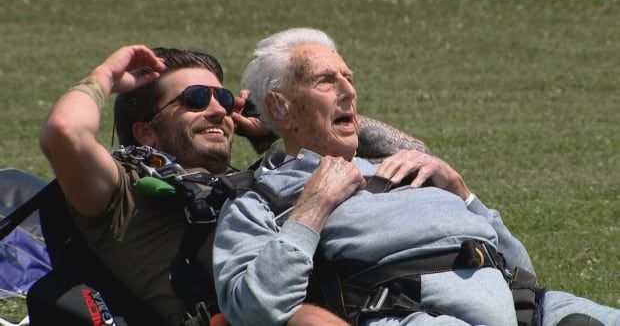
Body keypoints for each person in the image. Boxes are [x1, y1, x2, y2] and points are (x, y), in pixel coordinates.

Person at [212, 28, 620, 326]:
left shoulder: (404, 166)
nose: (348, 92)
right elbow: (254, 307)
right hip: (413, 313)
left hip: (526, 307)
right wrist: (312, 209)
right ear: (280, 108)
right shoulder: (261, 197)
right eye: (325, 81)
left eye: (349, 79)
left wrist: (462, 193)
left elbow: (521, 268)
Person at [39, 44, 428, 325]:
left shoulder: (259, 179)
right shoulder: (121, 191)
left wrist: (282, 119)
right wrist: (104, 77)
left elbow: (413, 156)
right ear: (146, 133)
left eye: (222, 97)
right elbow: (64, 133)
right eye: (194, 99)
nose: (218, 110)